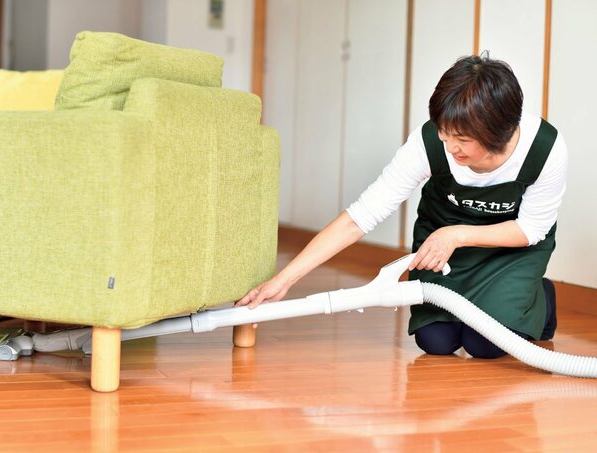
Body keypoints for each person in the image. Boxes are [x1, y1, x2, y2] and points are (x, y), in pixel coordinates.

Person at [236, 53, 567, 359]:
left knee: (486, 344)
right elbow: (361, 217)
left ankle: (539, 297)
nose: (450, 146)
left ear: (498, 132)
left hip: (509, 250)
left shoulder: (544, 149)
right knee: (436, 341)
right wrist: (284, 279)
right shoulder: (428, 143)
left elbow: (531, 228)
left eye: (462, 139)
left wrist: (457, 235)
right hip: (442, 250)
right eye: (444, 133)